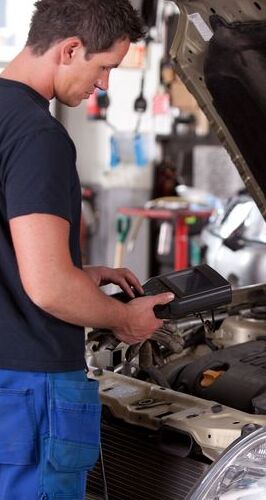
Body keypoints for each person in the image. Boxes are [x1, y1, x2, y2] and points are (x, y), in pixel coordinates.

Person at [0, 0, 175, 498]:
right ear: (70, 49)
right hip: (25, 391)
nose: (103, 85)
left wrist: (81, 273)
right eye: (104, 67)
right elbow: (50, 286)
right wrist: (123, 320)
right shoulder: (38, 136)